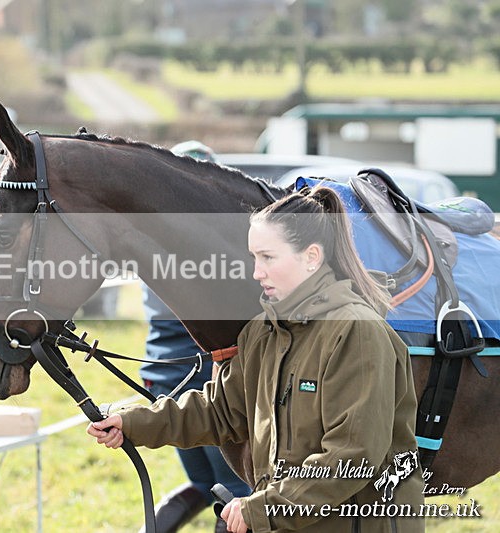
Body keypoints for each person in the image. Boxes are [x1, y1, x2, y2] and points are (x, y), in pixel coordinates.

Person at [89, 185, 424, 533]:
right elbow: (219, 412)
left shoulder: (356, 332)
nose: (256, 272)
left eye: (268, 257)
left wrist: (262, 509)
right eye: (254, 258)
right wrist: (132, 422)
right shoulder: (262, 332)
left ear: (311, 257)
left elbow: (353, 455)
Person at [137, 140, 251, 533]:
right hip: (203, 372)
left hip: (160, 373)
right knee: (237, 491)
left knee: (204, 484)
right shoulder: (210, 243)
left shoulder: (151, 233)